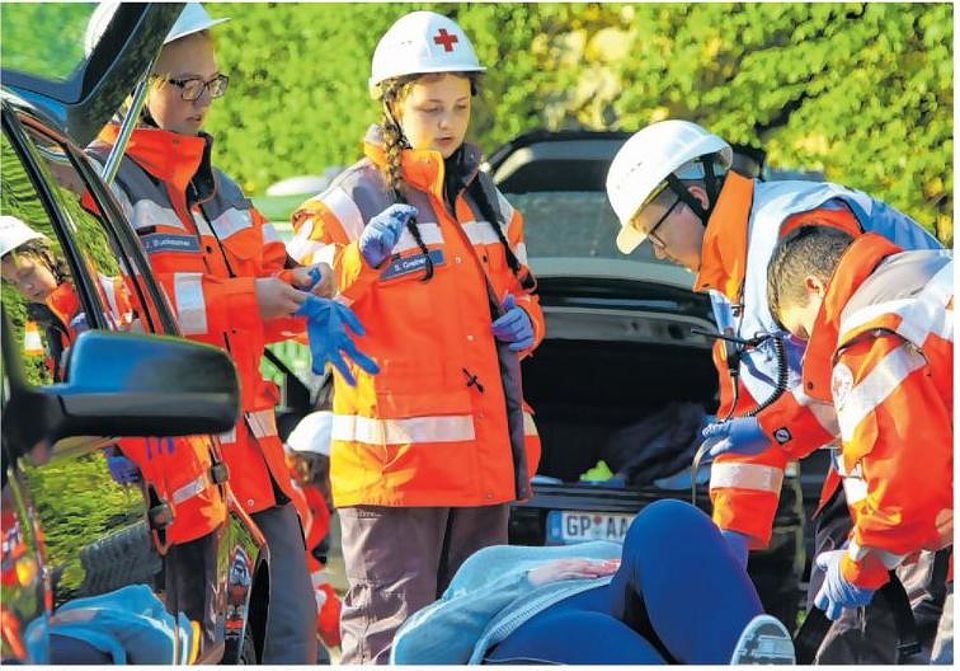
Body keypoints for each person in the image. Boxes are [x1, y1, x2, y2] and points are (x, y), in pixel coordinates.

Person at [81, 3, 374, 662]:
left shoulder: (223, 189)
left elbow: (274, 276)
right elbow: (135, 307)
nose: (202, 100)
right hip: (178, 479)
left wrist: (312, 290)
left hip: (255, 467)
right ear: (131, 83)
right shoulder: (99, 183)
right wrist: (254, 297)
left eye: (211, 83)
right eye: (184, 84)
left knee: (291, 640)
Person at [605, 119, 943, 662]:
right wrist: (728, 545)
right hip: (885, 434)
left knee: (893, 616)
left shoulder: (801, 231)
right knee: (847, 616)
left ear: (693, 198)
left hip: (915, 434)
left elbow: (861, 379)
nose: (657, 251)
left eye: (655, 232)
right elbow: (756, 417)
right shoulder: (733, 284)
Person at [287, 11, 543, 663]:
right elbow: (294, 296)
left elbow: (525, 296)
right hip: (396, 474)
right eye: (431, 107)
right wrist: (356, 264)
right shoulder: (350, 202)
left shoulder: (485, 200)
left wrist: (527, 323)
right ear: (392, 104)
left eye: (459, 106)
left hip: (484, 472)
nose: (449, 122)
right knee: (389, 636)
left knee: (478, 635)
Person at [762, 226, 952, 658]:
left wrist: (858, 567)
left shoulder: (873, 326)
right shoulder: (928, 273)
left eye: (804, 331)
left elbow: (908, 490)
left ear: (815, 286)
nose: (811, 346)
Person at [391, 499, 795, 665]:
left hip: (635, 591)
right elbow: (410, 654)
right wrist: (531, 582)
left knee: (667, 517)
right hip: (541, 618)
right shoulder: (485, 568)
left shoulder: (610, 545)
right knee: (582, 630)